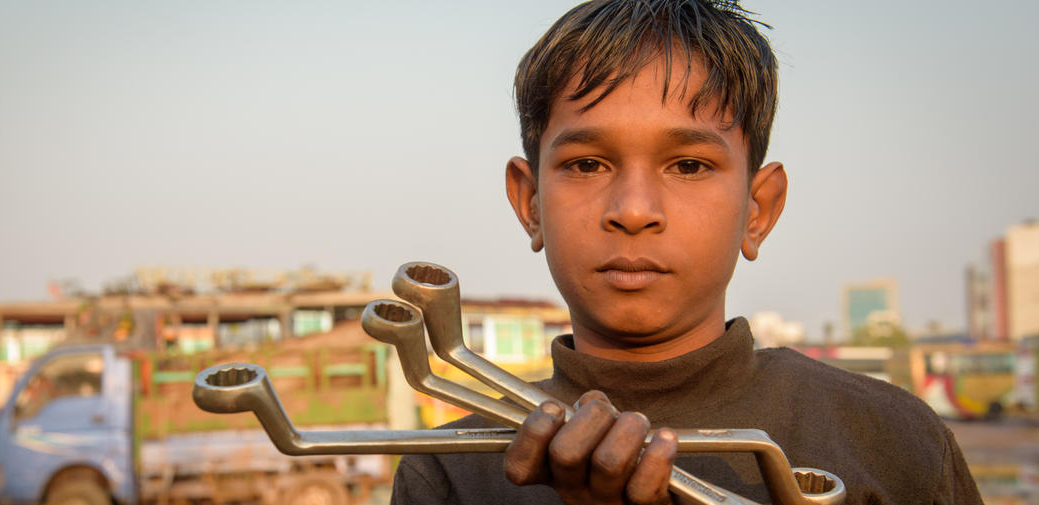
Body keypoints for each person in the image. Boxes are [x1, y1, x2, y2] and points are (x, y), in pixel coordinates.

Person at [390, 1, 982, 504]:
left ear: (758, 209)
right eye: (587, 164)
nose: (634, 208)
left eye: (690, 165)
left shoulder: (892, 438)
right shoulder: (454, 471)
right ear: (531, 201)